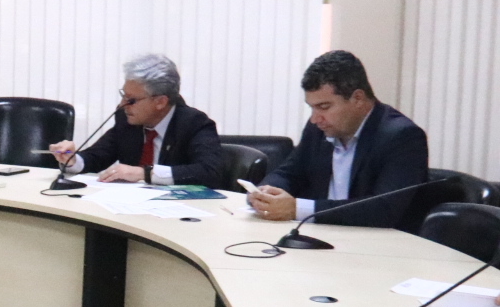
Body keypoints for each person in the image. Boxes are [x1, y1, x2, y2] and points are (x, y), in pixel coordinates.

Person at [249, 50, 428, 229]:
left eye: (324, 107)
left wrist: (297, 209)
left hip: (377, 241)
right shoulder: (318, 129)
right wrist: (264, 193)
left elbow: (383, 210)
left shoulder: (402, 137)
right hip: (319, 234)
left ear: (357, 98)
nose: (315, 119)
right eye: (312, 108)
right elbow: (289, 173)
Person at [48, 53, 224, 185]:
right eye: (124, 96)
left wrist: (144, 173)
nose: (122, 104)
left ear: (160, 102)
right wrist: (72, 160)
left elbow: (210, 172)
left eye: (131, 100)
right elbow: (97, 156)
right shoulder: (126, 119)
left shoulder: (194, 124)